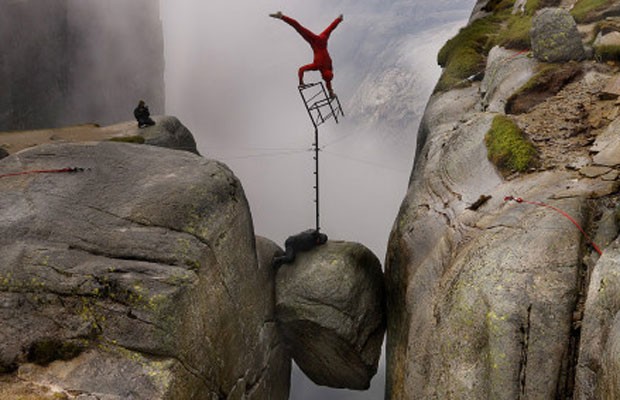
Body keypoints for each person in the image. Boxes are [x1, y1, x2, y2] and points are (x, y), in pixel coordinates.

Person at [270, 12, 343, 98]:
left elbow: (328, 81)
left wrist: (331, 92)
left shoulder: (329, 66)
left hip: (323, 40)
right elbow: (301, 69)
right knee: (299, 28)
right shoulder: (318, 66)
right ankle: (281, 16)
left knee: (329, 29)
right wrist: (301, 82)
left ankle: (339, 19)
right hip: (315, 42)